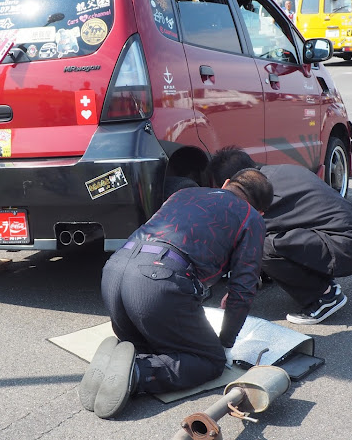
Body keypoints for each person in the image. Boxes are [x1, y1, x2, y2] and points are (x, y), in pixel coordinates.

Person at [79, 168, 274, 419]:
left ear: (226, 183)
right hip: (157, 283)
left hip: (114, 272)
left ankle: (125, 355)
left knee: (154, 346)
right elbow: (243, 290)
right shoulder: (251, 218)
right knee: (209, 361)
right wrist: (223, 343)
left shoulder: (184, 193)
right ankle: (136, 373)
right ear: (261, 212)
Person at [207, 147, 352, 326]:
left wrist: (237, 291)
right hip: (351, 237)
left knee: (263, 247)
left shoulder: (260, 193)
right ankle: (311, 281)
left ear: (230, 182)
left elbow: (250, 245)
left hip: (343, 248)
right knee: (269, 240)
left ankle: (324, 296)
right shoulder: (284, 170)